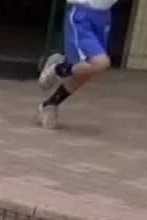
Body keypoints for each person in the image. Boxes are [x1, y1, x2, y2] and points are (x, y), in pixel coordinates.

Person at [37, 0, 117, 129]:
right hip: (82, 14)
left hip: (104, 15)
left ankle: (50, 103)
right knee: (99, 62)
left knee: (86, 69)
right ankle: (58, 69)